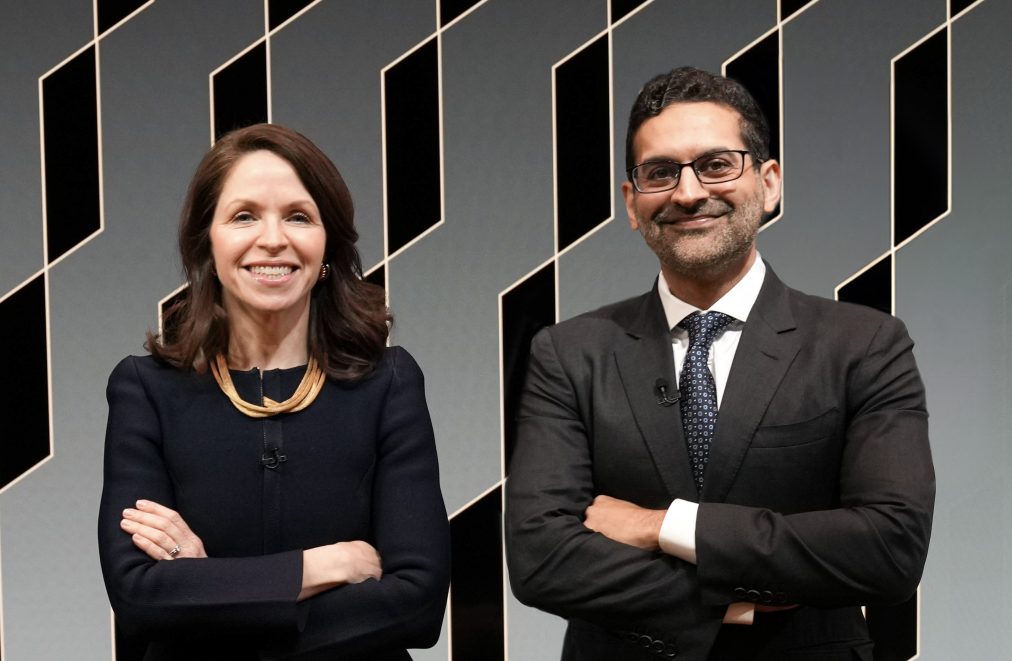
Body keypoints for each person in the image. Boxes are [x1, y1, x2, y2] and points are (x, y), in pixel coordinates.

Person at [505, 67, 934, 660]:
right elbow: (540, 558)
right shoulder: (570, 352)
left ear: (769, 183)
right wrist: (730, 606)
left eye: (715, 165)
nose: (687, 193)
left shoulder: (865, 345)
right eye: (660, 172)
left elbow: (890, 548)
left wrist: (664, 526)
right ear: (631, 203)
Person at [97, 124, 450, 660]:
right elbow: (140, 598)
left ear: (327, 244)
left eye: (298, 216)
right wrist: (321, 567)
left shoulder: (390, 383)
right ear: (206, 242)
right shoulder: (145, 390)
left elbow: (417, 606)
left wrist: (210, 594)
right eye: (244, 216)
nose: (273, 239)